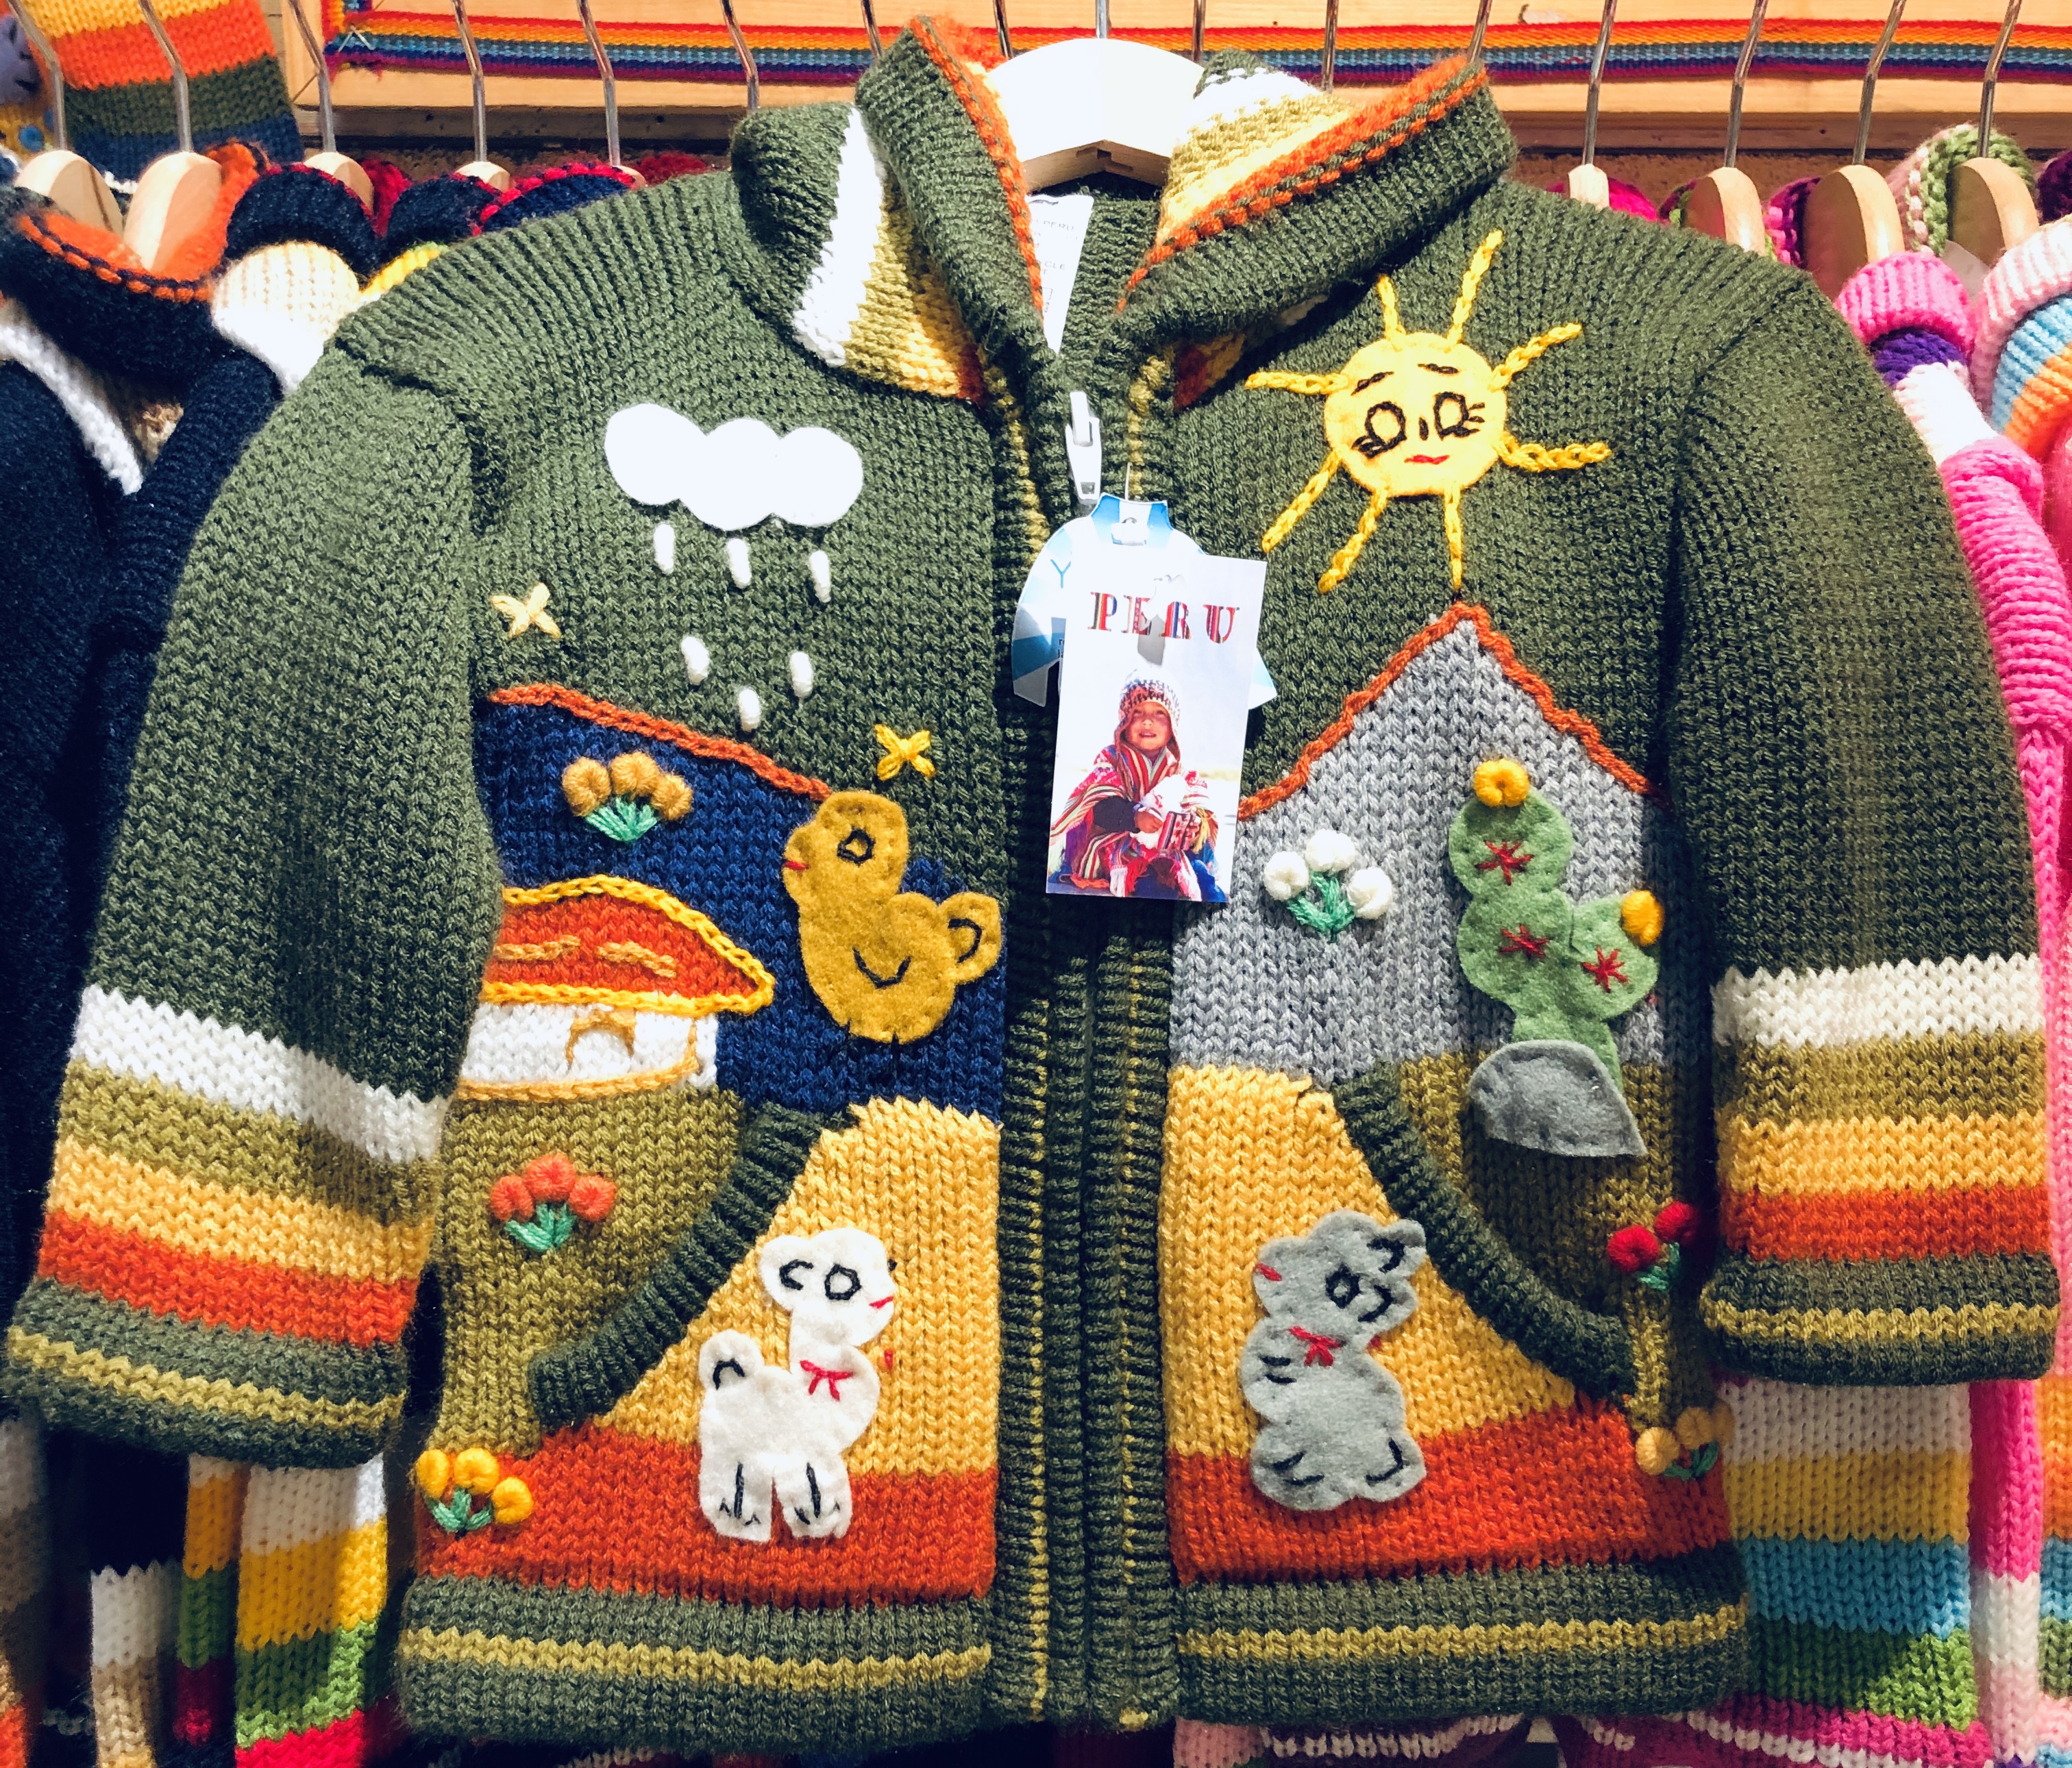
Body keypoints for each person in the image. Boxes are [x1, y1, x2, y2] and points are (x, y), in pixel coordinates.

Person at [1051, 673, 1221, 901]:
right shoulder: (1113, 759)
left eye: (1159, 713)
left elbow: (1198, 801)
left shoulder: (1178, 767)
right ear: (1124, 721)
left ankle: (1200, 878)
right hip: (1121, 841)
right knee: (1145, 880)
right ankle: (1154, 883)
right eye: (1138, 712)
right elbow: (1099, 806)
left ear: (1173, 723)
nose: (1148, 721)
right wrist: (1135, 817)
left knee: (1196, 860)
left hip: (1169, 845)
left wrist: (1194, 824)